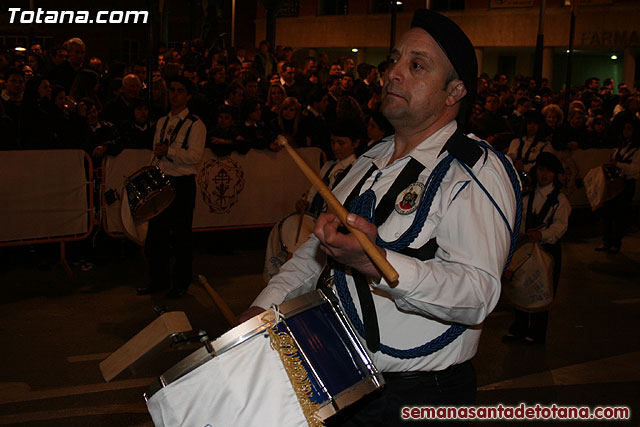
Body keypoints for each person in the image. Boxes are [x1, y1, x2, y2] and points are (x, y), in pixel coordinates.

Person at [240, 9, 519, 425]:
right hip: (342, 378)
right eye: (393, 60)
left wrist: (377, 263)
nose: (393, 73)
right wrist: (260, 313)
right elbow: (313, 254)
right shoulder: (367, 161)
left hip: (422, 396)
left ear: (454, 91)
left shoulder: (474, 170)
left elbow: (478, 294)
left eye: (416, 65)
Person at [138, 75, 206, 299]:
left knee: (181, 236)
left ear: (188, 96)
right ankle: (158, 280)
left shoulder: (196, 125)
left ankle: (180, 283)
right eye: (171, 90)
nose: (174, 94)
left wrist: (170, 151)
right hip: (162, 180)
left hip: (182, 183)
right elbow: (156, 151)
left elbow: (195, 157)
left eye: (179, 91)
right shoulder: (161, 122)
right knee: (155, 234)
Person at [503, 152, 571, 345]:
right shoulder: (527, 197)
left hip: (547, 251)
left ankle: (537, 332)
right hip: (525, 250)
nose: (544, 175)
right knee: (520, 286)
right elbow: (520, 220)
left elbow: (560, 226)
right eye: (541, 169)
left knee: (542, 289)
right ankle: (519, 328)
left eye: (549, 171)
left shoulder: (560, 200)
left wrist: (542, 234)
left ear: (555, 174)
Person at [596, 119, 640, 254]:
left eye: (629, 129)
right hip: (614, 183)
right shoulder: (621, 146)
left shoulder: (637, 150)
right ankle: (606, 241)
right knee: (607, 213)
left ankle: (615, 242)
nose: (626, 132)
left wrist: (618, 164)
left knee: (620, 215)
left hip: (626, 184)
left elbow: (635, 169)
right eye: (625, 128)